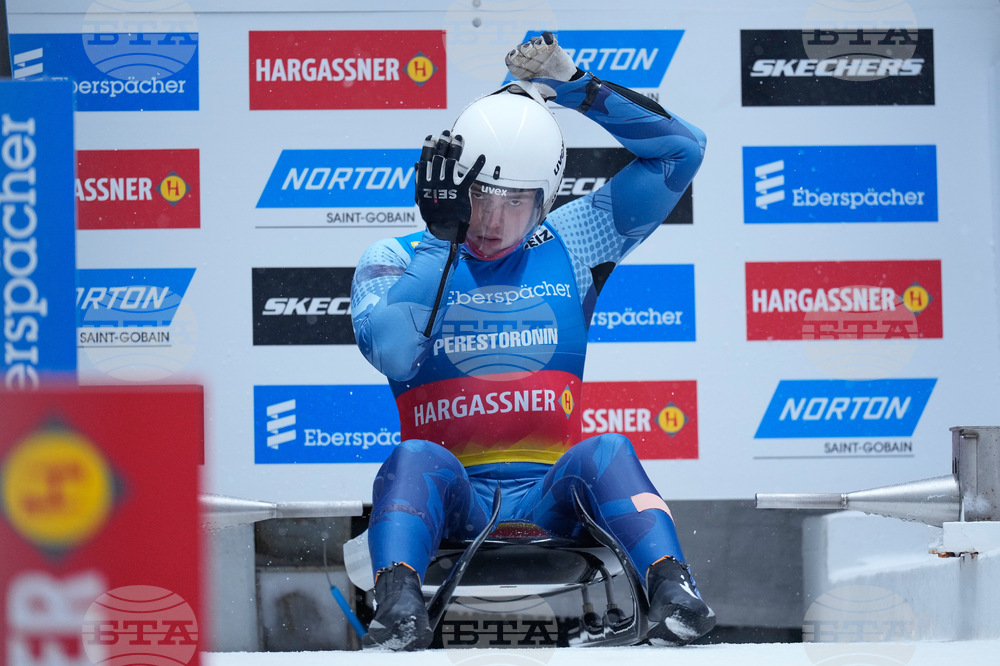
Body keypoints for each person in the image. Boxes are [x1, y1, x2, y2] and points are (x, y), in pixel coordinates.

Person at [350, 32, 711, 651]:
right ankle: (400, 608)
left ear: (544, 201)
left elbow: (682, 153)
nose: (492, 223)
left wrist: (579, 88)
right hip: (449, 497)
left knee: (607, 449)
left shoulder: (575, 243)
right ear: (455, 189)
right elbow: (391, 353)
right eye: (480, 200)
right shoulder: (394, 257)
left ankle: (676, 594)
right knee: (416, 458)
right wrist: (441, 242)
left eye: (514, 204)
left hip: (554, 495)